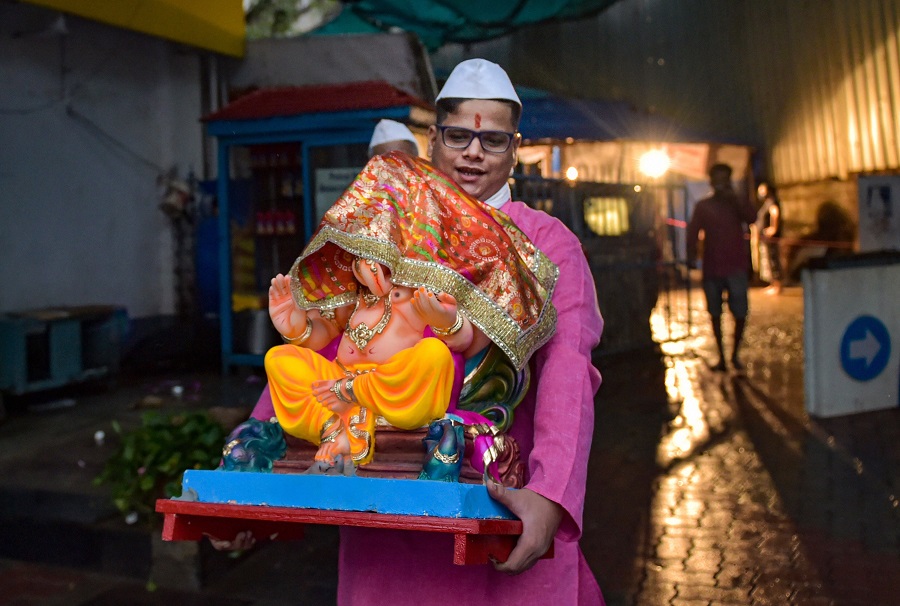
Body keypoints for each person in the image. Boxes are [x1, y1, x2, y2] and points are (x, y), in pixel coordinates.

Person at [218, 59, 606, 605]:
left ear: (514, 148)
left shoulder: (547, 240)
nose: (473, 152)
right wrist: (247, 481)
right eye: (459, 136)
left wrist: (550, 494)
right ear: (433, 137)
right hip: (384, 509)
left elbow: (569, 372)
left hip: (499, 504)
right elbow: (328, 346)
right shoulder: (384, 228)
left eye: (492, 141)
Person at [264, 151, 557, 469]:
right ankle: (331, 426)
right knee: (280, 360)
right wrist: (293, 326)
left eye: (378, 258)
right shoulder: (353, 298)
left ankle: (358, 405)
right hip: (337, 385)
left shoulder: (411, 293)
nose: (370, 268)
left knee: (433, 355)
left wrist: (445, 320)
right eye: (362, 257)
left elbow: (460, 342)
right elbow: (321, 337)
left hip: (388, 391)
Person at [687, 163, 758, 371]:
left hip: (736, 266)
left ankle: (734, 355)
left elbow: (751, 217)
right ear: (711, 182)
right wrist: (691, 257)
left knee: (740, 312)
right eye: (717, 179)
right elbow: (693, 233)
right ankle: (722, 357)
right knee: (715, 313)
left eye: (724, 179)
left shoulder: (736, 204)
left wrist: (735, 198)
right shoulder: (703, 206)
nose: (721, 184)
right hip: (713, 268)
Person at [755, 181, 783, 295]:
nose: (760, 192)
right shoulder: (766, 203)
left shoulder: (771, 202)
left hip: (770, 238)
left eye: (762, 190)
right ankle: (772, 284)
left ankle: (777, 286)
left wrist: (773, 228)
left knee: (772, 260)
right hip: (764, 238)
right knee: (767, 260)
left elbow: (775, 213)